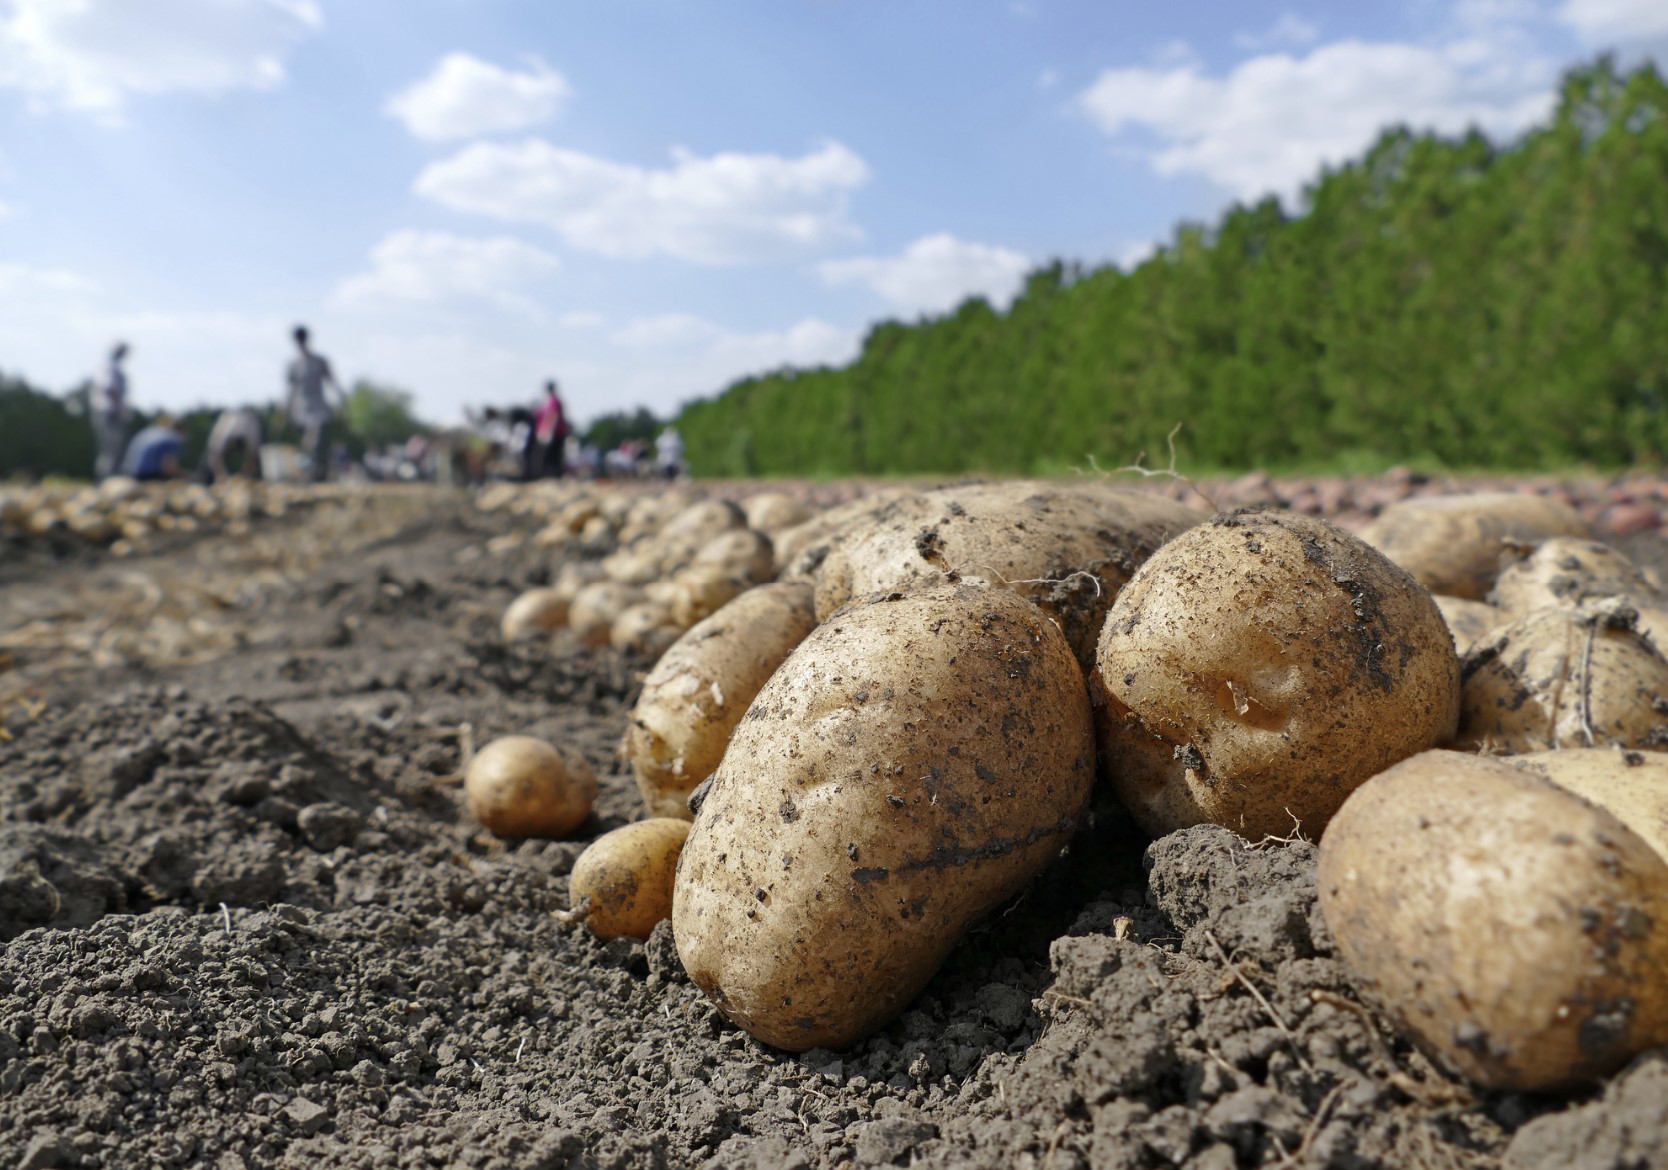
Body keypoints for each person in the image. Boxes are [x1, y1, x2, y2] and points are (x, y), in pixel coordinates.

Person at [283, 325, 345, 483]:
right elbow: (290, 390)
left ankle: (320, 475)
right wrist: (284, 410)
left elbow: (332, 381)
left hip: (319, 408)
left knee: (318, 443)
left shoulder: (319, 361)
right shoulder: (294, 365)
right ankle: (309, 475)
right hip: (301, 410)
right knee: (306, 445)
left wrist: (341, 402)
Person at [90, 342, 131, 482]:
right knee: (112, 449)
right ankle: (108, 480)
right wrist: (121, 408)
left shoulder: (105, 365)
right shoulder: (111, 366)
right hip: (110, 412)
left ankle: (104, 480)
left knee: (108, 449)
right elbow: (111, 388)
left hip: (103, 410)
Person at [204, 407, 263, 483]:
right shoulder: (225, 429)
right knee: (210, 465)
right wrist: (221, 476)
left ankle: (248, 478)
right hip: (233, 433)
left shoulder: (250, 427)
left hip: (245, 431)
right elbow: (214, 456)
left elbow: (253, 458)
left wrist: (246, 476)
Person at [121, 414, 184, 482]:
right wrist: (183, 475)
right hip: (147, 476)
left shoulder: (149, 431)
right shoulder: (171, 438)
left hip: (129, 472)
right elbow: (169, 468)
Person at [535, 380, 569, 478]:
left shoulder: (554, 401)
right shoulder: (547, 401)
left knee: (553, 456)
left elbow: (554, 415)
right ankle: (549, 475)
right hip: (550, 432)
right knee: (549, 456)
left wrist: (548, 431)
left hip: (555, 432)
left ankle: (554, 475)